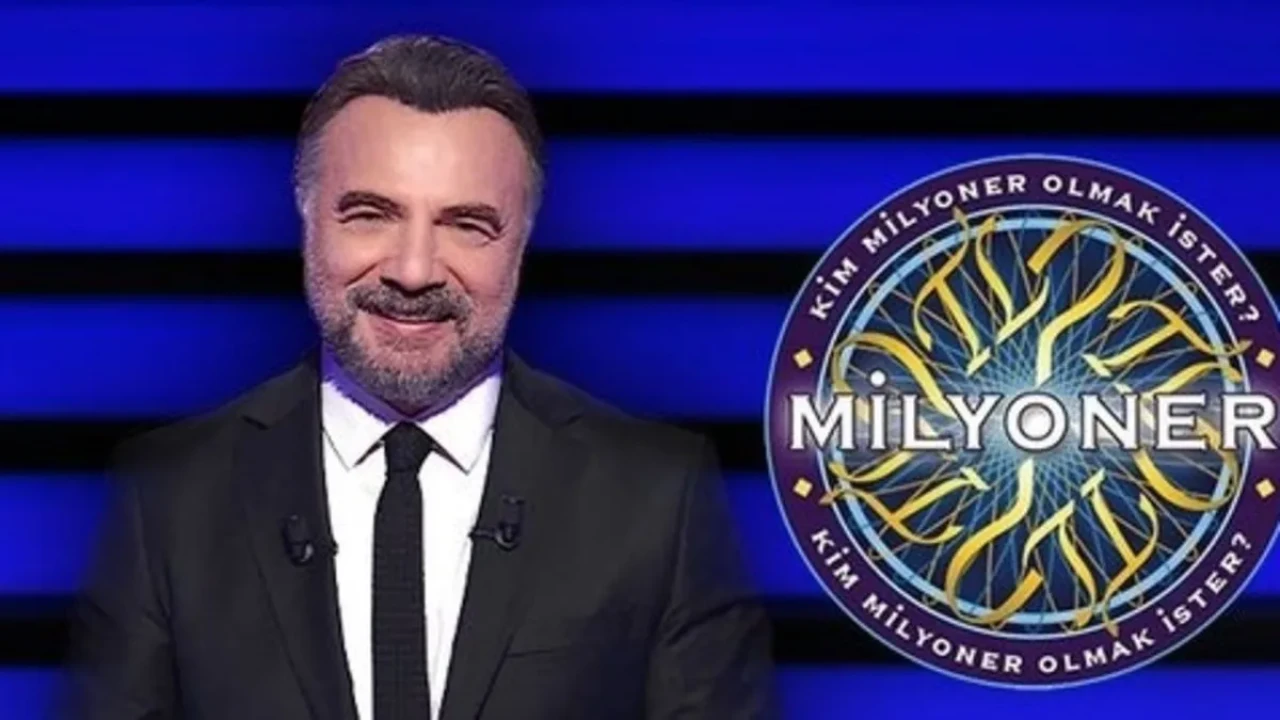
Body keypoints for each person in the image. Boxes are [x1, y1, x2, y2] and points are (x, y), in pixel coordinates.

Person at [62, 34, 777, 720]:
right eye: (370, 215)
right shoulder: (166, 498)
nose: (413, 271)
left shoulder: (659, 498)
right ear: (306, 218)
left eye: (467, 225)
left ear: (522, 243)